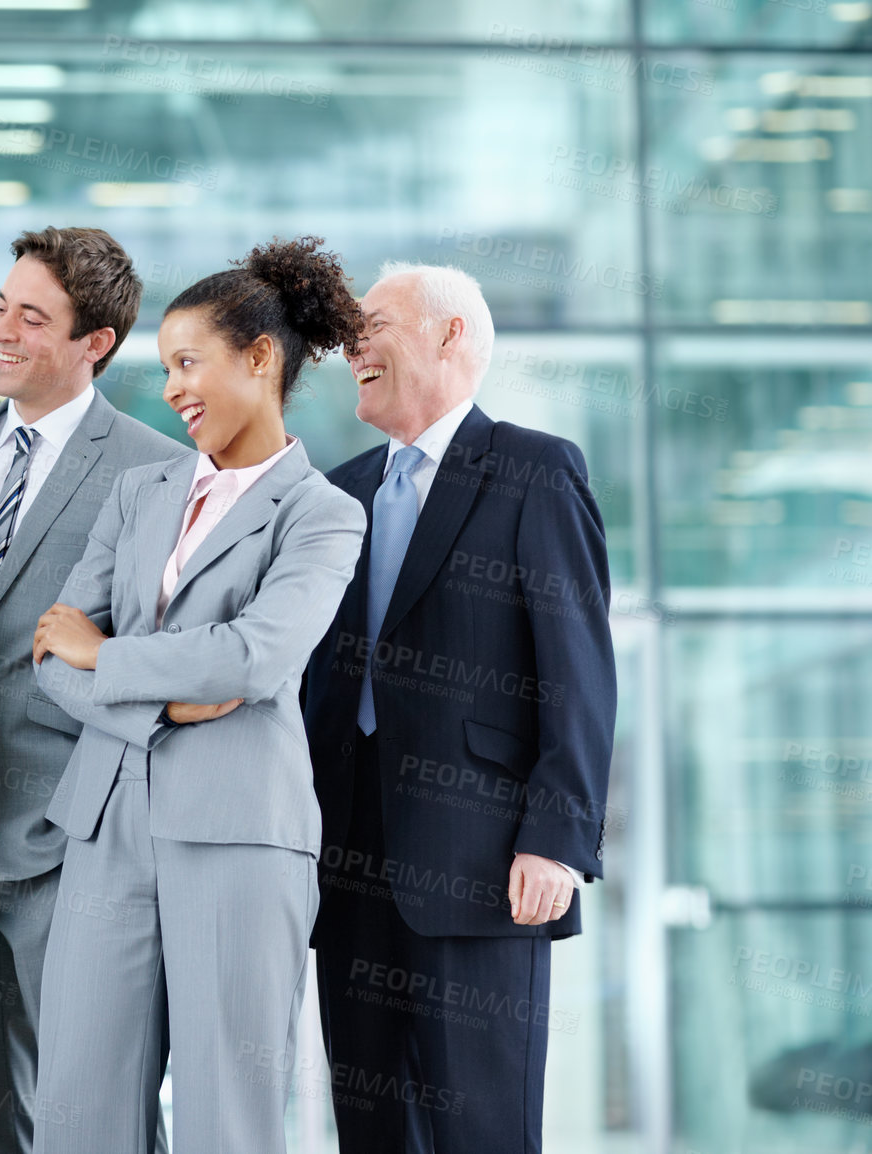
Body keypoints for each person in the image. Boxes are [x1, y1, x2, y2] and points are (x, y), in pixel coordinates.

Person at [30, 238, 367, 1153]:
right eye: (166, 366)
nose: (174, 388)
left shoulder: (324, 512)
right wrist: (163, 701)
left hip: (240, 834)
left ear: (259, 358)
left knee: (229, 1115)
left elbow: (255, 658)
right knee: (75, 1108)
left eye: (190, 362)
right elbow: (53, 654)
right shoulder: (142, 491)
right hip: (107, 825)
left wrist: (110, 657)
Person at [303, 263, 616, 1153]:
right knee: (370, 1132)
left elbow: (579, 670)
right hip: (348, 866)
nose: (353, 346)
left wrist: (558, 835)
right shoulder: (340, 491)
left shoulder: (534, 469)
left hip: (483, 872)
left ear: (449, 336)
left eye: (376, 325)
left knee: (479, 1133)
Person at [0, 226, 182, 1153]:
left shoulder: (154, 469)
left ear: (94, 343)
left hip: (73, 842)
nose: (3, 332)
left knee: (97, 1115)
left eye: (33, 317)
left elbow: (153, 656)